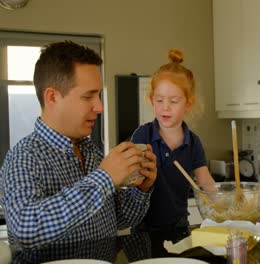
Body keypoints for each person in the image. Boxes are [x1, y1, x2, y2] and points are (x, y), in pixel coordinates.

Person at [0, 41, 157, 250]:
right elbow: (26, 231)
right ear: (52, 97)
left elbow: (120, 220)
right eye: (88, 96)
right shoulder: (23, 157)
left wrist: (142, 190)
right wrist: (106, 177)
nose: (100, 106)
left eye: (99, 95)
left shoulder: (91, 151)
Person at [130, 49, 215, 239]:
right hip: (143, 229)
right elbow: (132, 181)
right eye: (159, 100)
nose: (165, 107)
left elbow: (206, 182)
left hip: (179, 227)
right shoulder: (142, 135)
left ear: (188, 103)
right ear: (152, 100)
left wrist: (224, 205)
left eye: (174, 101)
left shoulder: (193, 142)